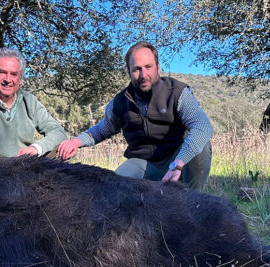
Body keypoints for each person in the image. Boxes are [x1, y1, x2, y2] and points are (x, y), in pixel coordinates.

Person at [58, 41, 213, 191]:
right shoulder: (120, 103)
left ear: (158, 68)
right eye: (137, 69)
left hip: (177, 161)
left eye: (148, 67)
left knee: (202, 146)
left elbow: (202, 126)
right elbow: (102, 130)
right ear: (129, 72)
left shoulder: (177, 93)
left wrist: (178, 163)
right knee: (114, 188)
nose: (143, 75)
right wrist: (75, 142)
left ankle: (193, 201)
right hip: (144, 163)